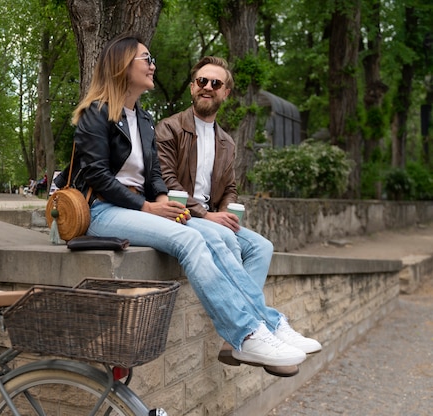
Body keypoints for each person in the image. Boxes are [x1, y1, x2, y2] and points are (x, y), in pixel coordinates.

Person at [54, 33, 320, 374]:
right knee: (190, 238)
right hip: (101, 211)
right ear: (122, 66)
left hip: (137, 208)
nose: (153, 66)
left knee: (222, 237)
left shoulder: (144, 119)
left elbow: (153, 177)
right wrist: (148, 207)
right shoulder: (96, 114)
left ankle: (267, 323)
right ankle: (246, 333)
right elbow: (98, 177)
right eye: (146, 59)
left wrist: (164, 200)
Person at [154, 57, 307, 374]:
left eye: (216, 83)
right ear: (192, 87)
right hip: (180, 214)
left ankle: (236, 343)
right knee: (227, 238)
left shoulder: (227, 141)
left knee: (262, 246)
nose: (207, 87)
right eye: (201, 81)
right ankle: (257, 328)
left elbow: (231, 186)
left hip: (211, 218)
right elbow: (167, 181)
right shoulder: (168, 128)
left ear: (226, 94)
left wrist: (225, 211)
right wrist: (207, 216)